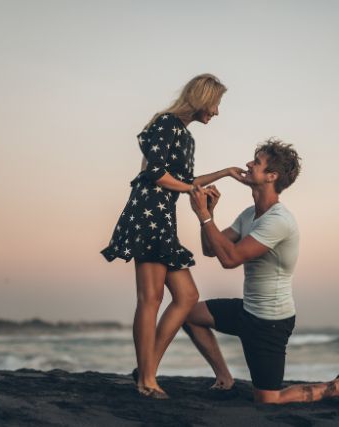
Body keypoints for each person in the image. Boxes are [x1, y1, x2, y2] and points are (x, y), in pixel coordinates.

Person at [185, 138, 339, 404]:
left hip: (270, 323)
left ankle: (336, 387)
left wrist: (204, 217)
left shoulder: (279, 221)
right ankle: (225, 379)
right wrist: (208, 215)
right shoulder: (249, 214)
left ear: (272, 176)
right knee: (188, 314)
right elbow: (211, 250)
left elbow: (230, 259)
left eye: (256, 162)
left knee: (269, 400)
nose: (248, 164)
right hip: (247, 310)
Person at [100, 74, 244, 399]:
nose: (217, 112)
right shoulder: (165, 124)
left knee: (187, 297)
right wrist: (193, 187)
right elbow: (154, 173)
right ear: (203, 98)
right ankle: (146, 380)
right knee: (150, 299)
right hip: (147, 215)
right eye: (216, 103)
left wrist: (225, 173)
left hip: (164, 220)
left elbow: (184, 178)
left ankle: (147, 369)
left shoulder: (187, 137)